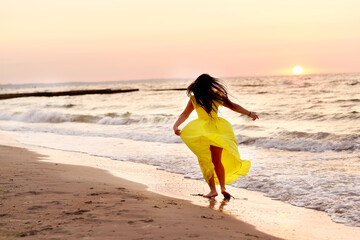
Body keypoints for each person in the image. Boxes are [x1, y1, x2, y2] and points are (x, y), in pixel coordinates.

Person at [173, 74, 259, 199]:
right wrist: (249, 113)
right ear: (210, 84)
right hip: (219, 129)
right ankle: (223, 188)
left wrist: (176, 126)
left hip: (201, 130)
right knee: (216, 160)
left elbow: (185, 114)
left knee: (205, 161)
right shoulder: (216, 96)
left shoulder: (195, 98)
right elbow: (233, 106)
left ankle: (213, 190)